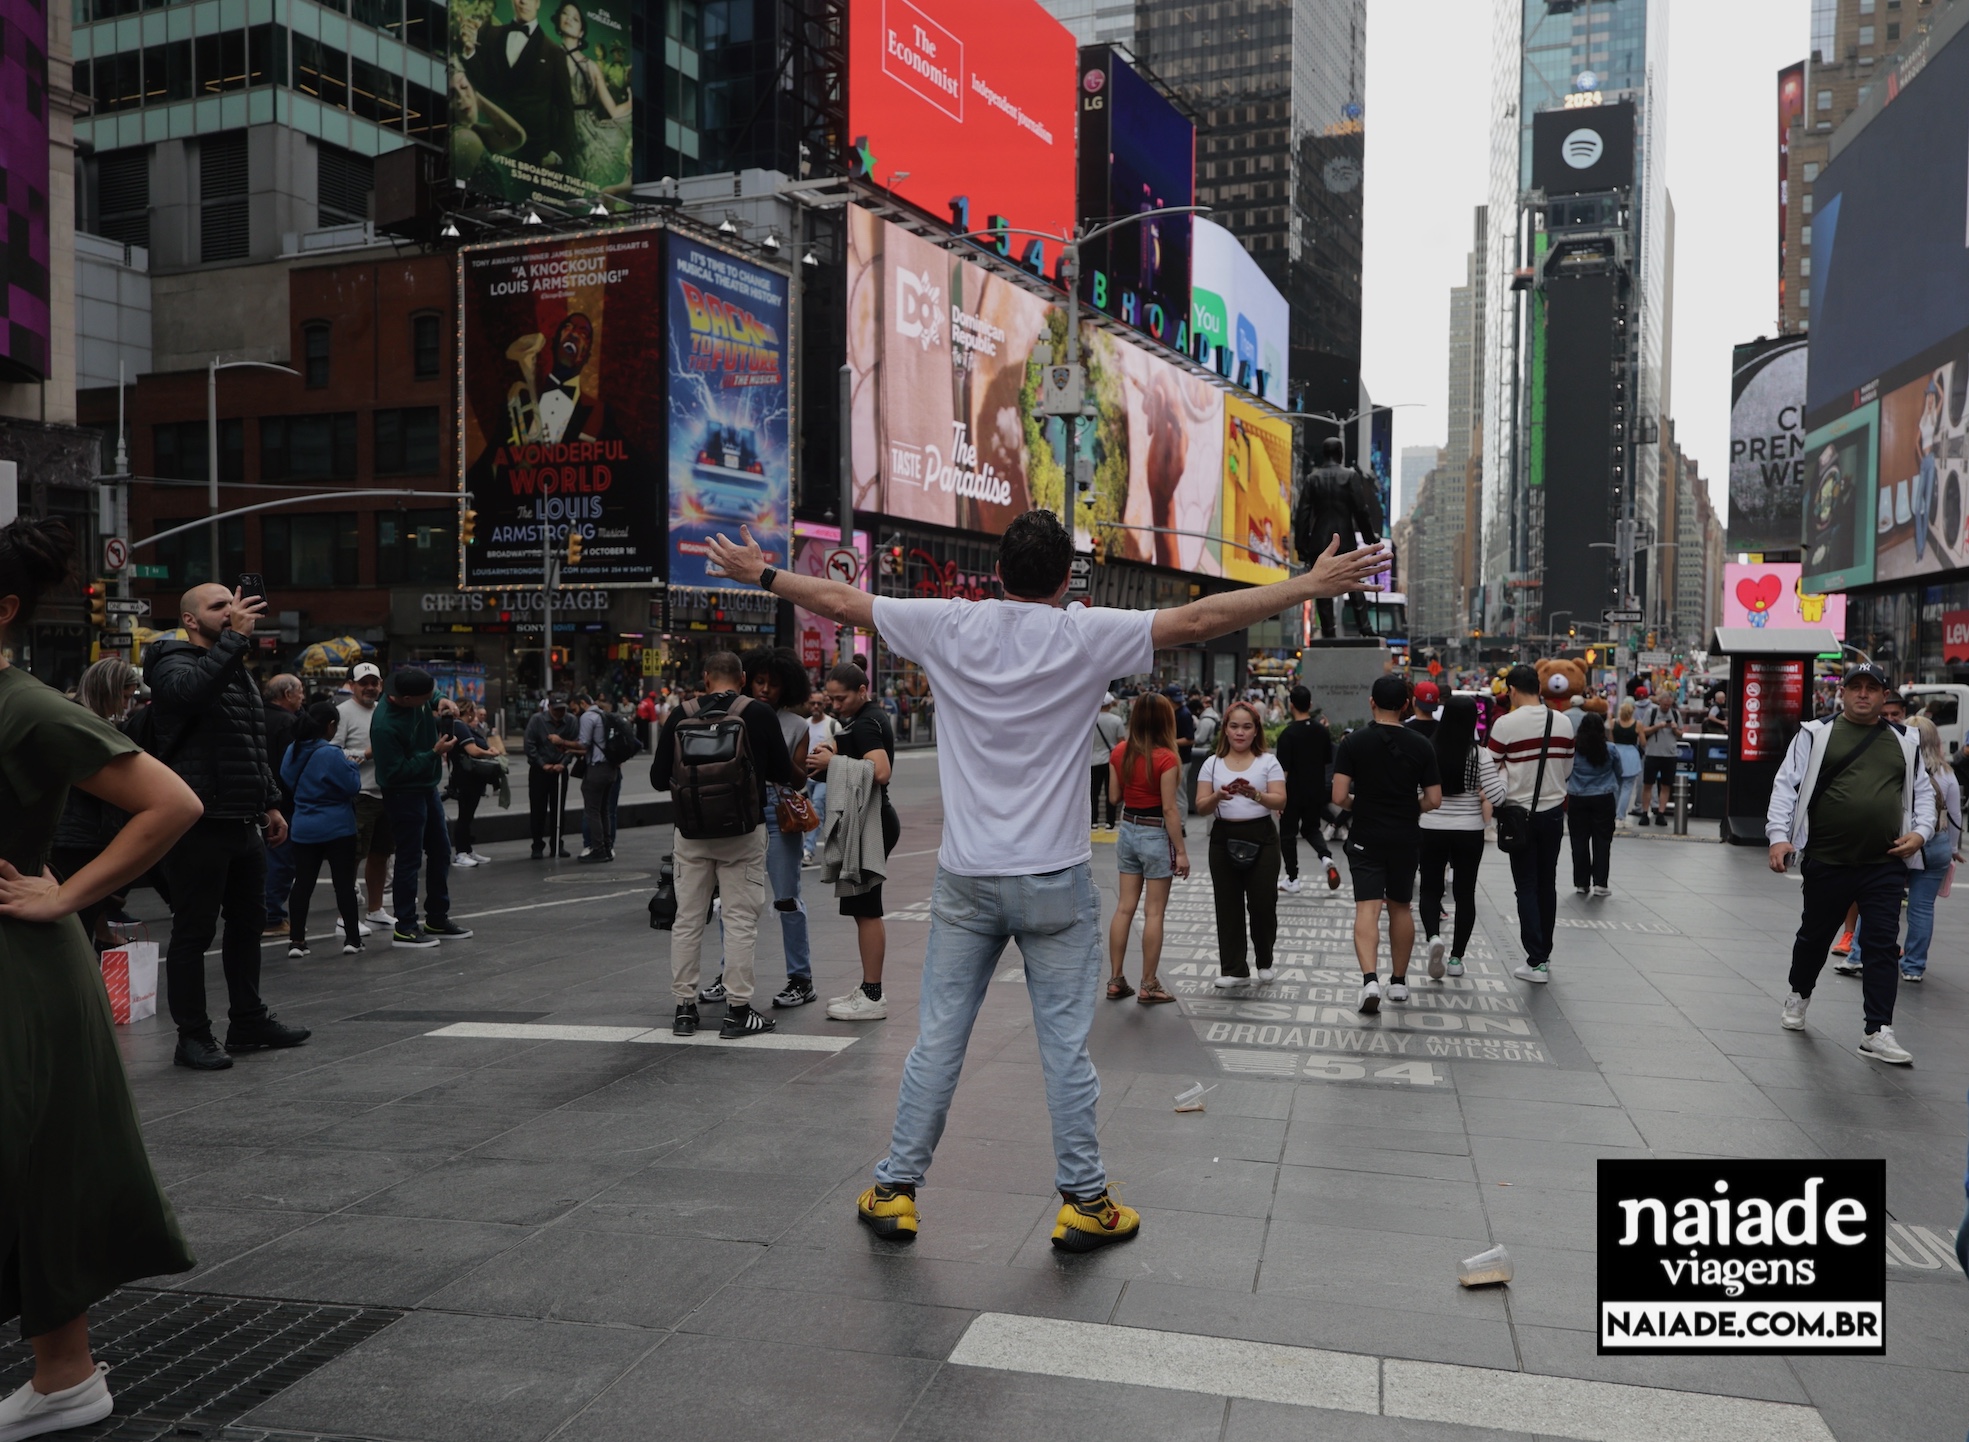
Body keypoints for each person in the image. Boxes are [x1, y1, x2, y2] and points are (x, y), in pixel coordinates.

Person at [707, 510, 1387, 1251]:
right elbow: (1204, 616)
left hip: (966, 878)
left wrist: (762, 573)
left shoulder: (945, 624)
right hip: (1054, 880)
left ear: (997, 571)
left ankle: (897, 1190)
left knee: (938, 1039)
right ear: (1066, 580)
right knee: (1064, 1048)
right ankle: (1084, 1202)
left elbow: (841, 603)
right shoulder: (1083, 634)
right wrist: (1309, 585)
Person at [0, 515, 204, 1439]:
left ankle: (66, 1376)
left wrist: (64, 895)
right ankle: (64, 1375)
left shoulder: (25, 706)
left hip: (17, 970)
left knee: (40, 1164)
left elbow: (172, 802)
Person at [148, 584, 311, 1070]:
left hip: (242, 819)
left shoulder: (232, 666)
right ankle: (192, 1037)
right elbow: (190, 695)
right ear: (190, 620)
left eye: (233, 602)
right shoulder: (169, 660)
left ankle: (247, 1020)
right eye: (219, 606)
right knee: (194, 932)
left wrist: (270, 803)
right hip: (198, 821)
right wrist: (234, 642)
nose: (232, 611)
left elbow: (248, 741)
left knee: (247, 926)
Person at [1767, 662, 1931, 1065]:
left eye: (1871, 688)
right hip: (1828, 859)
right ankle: (1799, 994)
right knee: (1814, 938)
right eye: (1855, 687)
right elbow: (1785, 785)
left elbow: (1923, 793)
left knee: (1880, 945)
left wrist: (1921, 833)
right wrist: (1778, 837)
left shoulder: (1905, 740)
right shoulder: (1816, 734)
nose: (1863, 694)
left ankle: (1877, 1030)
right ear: (1842, 692)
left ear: (1883, 695)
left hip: (1884, 863)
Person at [649, 651, 797, 1038]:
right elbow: (785, 775)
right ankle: (738, 1011)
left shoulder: (681, 715)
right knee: (740, 922)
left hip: (691, 833)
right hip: (743, 833)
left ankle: (684, 1009)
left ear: (705, 677)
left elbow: (655, 778)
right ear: (743, 679)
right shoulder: (759, 714)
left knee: (687, 920)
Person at [1331, 675, 1443, 1012]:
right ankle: (1398, 982)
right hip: (1405, 837)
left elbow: (1338, 796)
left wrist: (1361, 805)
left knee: (1367, 907)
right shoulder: (1422, 745)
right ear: (1406, 706)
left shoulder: (1353, 744)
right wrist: (1411, 807)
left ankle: (1369, 980)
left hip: (1366, 836)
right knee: (1400, 906)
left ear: (1371, 702)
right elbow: (1435, 799)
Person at [812, 663, 900, 1021]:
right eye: (830, 698)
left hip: (873, 823)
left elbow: (880, 771)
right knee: (862, 908)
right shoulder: (866, 718)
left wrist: (834, 762)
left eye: (841, 697)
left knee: (867, 910)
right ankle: (867, 988)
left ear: (862, 689)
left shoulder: (866, 722)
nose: (835, 704)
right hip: (873, 821)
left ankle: (873, 994)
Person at [371, 667, 472, 949]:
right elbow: (393, 773)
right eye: (425, 699)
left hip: (426, 787)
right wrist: (434, 753)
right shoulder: (384, 725)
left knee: (440, 849)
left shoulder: (415, 695)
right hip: (403, 793)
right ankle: (405, 926)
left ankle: (437, 917)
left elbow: (431, 696)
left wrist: (441, 700)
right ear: (404, 698)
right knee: (409, 857)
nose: (430, 703)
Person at [739, 648, 817, 1009]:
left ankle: (800, 978)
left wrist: (778, 757)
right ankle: (729, 976)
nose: (765, 689)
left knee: (787, 897)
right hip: (741, 809)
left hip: (778, 809)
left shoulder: (797, 725)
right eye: (759, 681)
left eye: (773, 684)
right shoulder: (736, 715)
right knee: (733, 898)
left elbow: (800, 778)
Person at [1488, 664, 1574, 985]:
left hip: (1518, 815)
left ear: (1511, 689)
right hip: (1553, 814)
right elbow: (1566, 770)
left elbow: (1491, 768)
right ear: (1538, 687)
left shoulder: (1504, 725)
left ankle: (1535, 959)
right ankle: (1544, 956)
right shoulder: (1562, 722)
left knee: (1525, 884)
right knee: (1546, 883)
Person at [47, 657, 141, 951]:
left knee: (81, 919)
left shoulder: (83, 720)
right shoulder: (83, 725)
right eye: (124, 697)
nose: (125, 705)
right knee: (76, 924)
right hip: (77, 836)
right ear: (109, 691)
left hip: (84, 834)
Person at [1195, 701, 1288, 988]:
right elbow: (1200, 806)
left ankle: (1264, 959)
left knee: (1263, 903)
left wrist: (1255, 794)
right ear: (1225, 729)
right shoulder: (1211, 763)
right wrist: (1218, 797)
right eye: (1234, 726)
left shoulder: (1268, 761)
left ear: (1256, 730)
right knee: (1228, 904)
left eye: (1246, 727)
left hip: (1262, 836)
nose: (1240, 732)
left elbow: (1280, 799)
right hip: (1223, 838)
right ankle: (1234, 968)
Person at [1105, 690, 1186, 1005]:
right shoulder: (1167, 757)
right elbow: (1170, 809)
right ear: (1166, 721)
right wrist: (1180, 850)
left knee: (1124, 908)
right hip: (1155, 834)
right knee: (1154, 913)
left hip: (1128, 830)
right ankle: (1148, 984)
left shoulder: (1120, 751)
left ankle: (1115, 980)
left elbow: (1114, 798)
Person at [1418, 695, 1505, 980]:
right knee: (1465, 893)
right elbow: (1496, 796)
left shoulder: (1428, 749)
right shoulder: (1480, 754)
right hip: (1469, 831)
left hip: (1431, 827)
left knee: (1430, 889)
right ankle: (1456, 959)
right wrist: (1503, 777)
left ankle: (1433, 937)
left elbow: (1415, 793)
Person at [279, 701, 365, 958]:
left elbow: (286, 779)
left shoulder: (293, 750)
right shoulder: (331, 753)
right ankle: (352, 939)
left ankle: (297, 941)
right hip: (337, 826)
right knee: (344, 884)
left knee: (302, 883)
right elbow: (352, 786)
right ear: (330, 725)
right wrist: (351, 764)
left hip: (304, 826)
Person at [464, 0, 577, 170]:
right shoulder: (489, 34)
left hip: (532, 159)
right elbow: (481, 86)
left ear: (538, 3)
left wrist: (557, 154)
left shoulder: (554, 52)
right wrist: (469, 53)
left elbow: (565, 109)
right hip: (488, 145)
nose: (523, 1)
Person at [1292, 437, 1381, 638]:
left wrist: (1301, 546)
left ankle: (1328, 633)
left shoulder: (1312, 479)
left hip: (1320, 542)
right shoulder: (1350, 476)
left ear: (1324, 454)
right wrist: (1370, 537)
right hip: (1345, 540)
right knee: (1355, 583)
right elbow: (1361, 510)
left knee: (1321, 587)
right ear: (1340, 453)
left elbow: (1302, 515)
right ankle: (1365, 629)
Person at [1899, 715, 1962, 983]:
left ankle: (1858, 955)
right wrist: (1954, 848)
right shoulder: (1947, 774)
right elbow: (1955, 817)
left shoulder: (1898, 766)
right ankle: (1913, 966)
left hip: (1901, 842)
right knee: (1922, 908)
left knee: (1878, 900)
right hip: (1936, 843)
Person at [336, 663, 393, 928]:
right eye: (364, 682)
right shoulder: (342, 713)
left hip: (386, 793)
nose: (370, 688)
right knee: (352, 857)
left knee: (381, 854)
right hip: (359, 795)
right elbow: (331, 754)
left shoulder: (384, 711)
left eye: (375, 682)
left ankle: (375, 909)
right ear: (352, 685)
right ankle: (345, 918)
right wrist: (366, 754)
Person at [1274, 685, 1340, 894]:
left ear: (1290, 705)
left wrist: (1279, 798)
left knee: (1288, 834)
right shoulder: (1321, 731)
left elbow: (1283, 772)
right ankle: (1326, 857)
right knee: (1311, 829)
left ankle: (1293, 878)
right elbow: (1326, 761)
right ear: (1310, 704)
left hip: (1293, 792)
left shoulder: (1287, 734)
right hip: (1316, 790)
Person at [260, 674, 304, 936]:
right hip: (282, 802)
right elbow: (292, 767)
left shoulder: (257, 716)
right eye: (299, 692)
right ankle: (272, 916)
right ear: (287, 695)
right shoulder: (288, 723)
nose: (302, 697)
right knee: (281, 858)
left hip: (259, 798)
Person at [1566, 712, 1619, 897]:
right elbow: (1618, 771)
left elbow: (1565, 771)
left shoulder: (1574, 748)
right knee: (1602, 841)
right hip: (1604, 797)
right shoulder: (1610, 749)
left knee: (1579, 840)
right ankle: (1600, 884)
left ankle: (1581, 883)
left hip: (1577, 797)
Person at [445, 699, 500, 866]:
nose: (476, 712)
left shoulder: (465, 727)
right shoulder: (460, 726)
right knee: (465, 815)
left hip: (472, 778)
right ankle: (461, 853)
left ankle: (468, 850)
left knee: (468, 815)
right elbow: (472, 750)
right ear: (469, 711)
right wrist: (489, 753)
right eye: (474, 709)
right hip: (466, 778)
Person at [523, 693, 576, 858]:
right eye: (557, 710)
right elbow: (529, 744)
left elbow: (574, 743)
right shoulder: (537, 720)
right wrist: (542, 763)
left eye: (563, 710)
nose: (560, 713)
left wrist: (564, 763)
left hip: (559, 770)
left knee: (558, 809)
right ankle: (537, 845)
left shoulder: (571, 721)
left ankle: (557, 845)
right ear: (550, 708)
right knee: (538, 809)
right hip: (540, 770)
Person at [570, 692, 618, 864]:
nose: (574, 711)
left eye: (574, 707)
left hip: (596, 769)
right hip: (611, 769)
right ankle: (606, 847)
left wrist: (563, 742)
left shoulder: (588, 716)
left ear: (582, 703)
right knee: (604, 809)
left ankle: (597, 849)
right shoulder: (604, 714)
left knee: (592, 810)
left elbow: (584, 743)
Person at [1633, 684, 1679, 826]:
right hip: (1652, 753)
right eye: (1664, 705)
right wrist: (1657, 726)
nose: (1666, 707)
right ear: (1660, 702)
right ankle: (1645, 812)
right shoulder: (1651, 713)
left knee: (1666, 785)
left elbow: (1681, 734)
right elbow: (1643, 731)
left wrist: (1675, 729)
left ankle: (1661, 813)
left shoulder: (1675, 714)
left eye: (1669, 705)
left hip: (1670, 754)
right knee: (1648, 784)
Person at [803, 690, 840, 867]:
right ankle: (834, 849)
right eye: (812, 703)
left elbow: (839, 750)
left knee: (817, 808)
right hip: (807, 777)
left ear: (824, 704)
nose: (816, 706)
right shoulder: (804, 724)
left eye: (819, 703)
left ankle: (808, 850)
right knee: (813, 812)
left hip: (826, 778)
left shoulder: (832, 725)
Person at [1089, 694, 1126, 830]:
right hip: (1111, 760)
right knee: (1111, 791)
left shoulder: (1091, 720)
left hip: (1093, 760)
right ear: (1110, 705)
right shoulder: (1116, 720)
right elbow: (1121, 742)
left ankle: (1093, 820)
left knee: (1094, 793)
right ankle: (1110, 821)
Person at [1185, 692, 1222, 811]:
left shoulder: (1206, 720)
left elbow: (1200, 737)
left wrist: (1189, 739)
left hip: (1203, 750)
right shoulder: (1213, 716)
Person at [1610, 699, 1643, 828]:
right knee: (1627, 787)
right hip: (1631, 754)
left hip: (1617, 753)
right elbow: (1643, 741)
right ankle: (1620, 817)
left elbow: (1611, 740)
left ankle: (1613, 814)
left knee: (1616, 786)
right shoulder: (1637, 724)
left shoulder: (1614, 723)